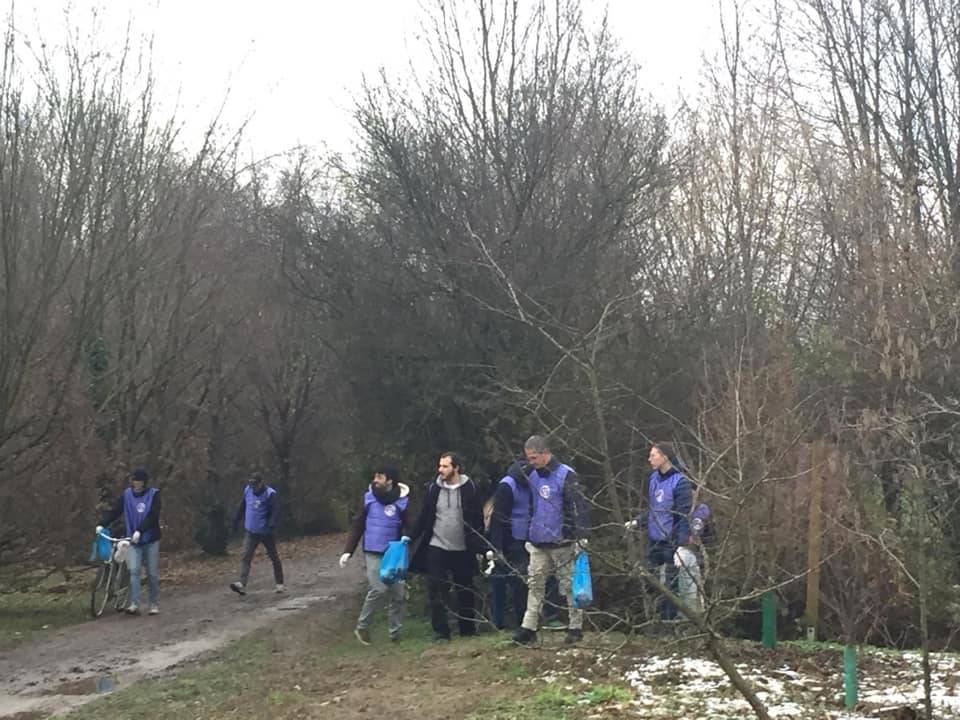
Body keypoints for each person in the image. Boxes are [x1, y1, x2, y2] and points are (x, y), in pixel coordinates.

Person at [512, 435, 590, 646]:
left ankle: (576, 626)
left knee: (569, 586)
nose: (532, 462)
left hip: (561, 541)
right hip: (538, 541)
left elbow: (578, 506)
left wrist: (581, 535)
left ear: (546, 453)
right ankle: (529, 626)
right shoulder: (532, 475)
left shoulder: (566, 475)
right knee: (535, 585)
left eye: (534, 457)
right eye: (528, 458)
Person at [409, 452, 485, 641]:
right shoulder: (434, 489)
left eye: (445, 466)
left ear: (456, 468)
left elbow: (477, 519)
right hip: (437, 545)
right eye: (440, 466)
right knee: (435, 588)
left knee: (465, 590)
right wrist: (410, 537)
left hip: (463, 547)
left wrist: (480, 545)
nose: (440, 470)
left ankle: (467, 629)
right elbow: (424, 515)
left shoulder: (470, 489)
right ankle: (441, 632)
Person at [339, 465, 412, 644]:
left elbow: (410, 525)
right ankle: (362, 627)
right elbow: (358, 525)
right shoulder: (368, 499)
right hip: (372, 550)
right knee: (378, 588)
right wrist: (348, 551)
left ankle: (395, 634)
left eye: (380, 477)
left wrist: (407, 540)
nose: (375, 480)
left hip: (393, 552)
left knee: (398, 594)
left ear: (390, 480)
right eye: (375, 476)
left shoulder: (402, 502)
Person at [625, 442, 693, 620]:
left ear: (665, 457)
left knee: (671, 585)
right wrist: (637, 521)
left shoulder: (681, 482)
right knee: (649, 580)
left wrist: (681, 545)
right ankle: (652, 619)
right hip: (654, 539)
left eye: (653, 455)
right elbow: (655, 508)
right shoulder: (654, 479)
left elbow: (682, 516)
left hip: (671, 540)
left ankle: (669, 621)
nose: (649, 459)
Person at [96, 468, 162, 616]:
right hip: (132, 539)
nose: (135, 484)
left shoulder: (154, 495)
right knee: (134, 571)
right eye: (134, 480)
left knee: (151, 572)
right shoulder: (127, 495)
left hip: (150, 539)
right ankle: (134, 603)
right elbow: (115, 511)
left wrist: (141, 530)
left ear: (144, 482)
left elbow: (153, 516)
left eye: (138, 481)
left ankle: (154, 603)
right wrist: (103, 523)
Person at [488, 460, 532, 630]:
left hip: (525, 540)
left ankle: (523, 621)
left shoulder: (531, 484)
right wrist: (497, 548)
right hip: (507, 541)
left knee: (522, 583)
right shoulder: (507, 486)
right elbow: (497, 518)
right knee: (500, 583)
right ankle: (499, 623)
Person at [230, 472, 285, 595]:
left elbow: (276, 510)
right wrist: (235, 520)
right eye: (251, 484)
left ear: (261, 483)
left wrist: (272, 522)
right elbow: (242, 506)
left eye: (255, 484)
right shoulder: (248, 491)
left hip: (266, 532)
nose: (253, 487)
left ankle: (279, 583)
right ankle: (241, 584)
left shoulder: (270, 494)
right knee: (246, 557)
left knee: (274, 557)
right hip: (251, 532)